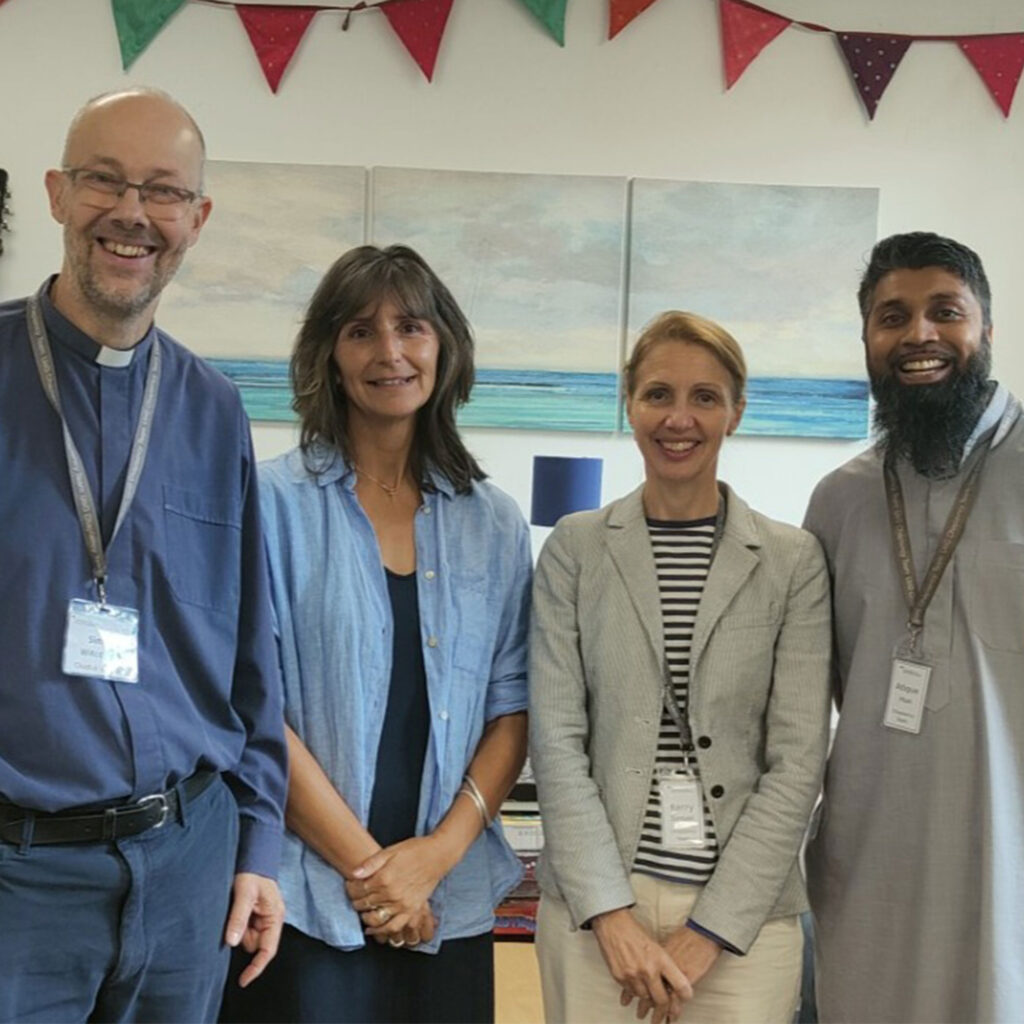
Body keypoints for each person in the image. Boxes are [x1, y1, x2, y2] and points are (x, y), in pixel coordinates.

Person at [0, 89, 287, 1023]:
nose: (132, 213)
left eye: (163, 192)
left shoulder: (215, 410)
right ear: (55, 193)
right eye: (104, 182)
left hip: (186, 871)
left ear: (196, 220)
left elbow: (251, 655)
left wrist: (257, 844)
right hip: (18, 879)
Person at [220, 244, 531, 1024]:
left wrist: (434, 861)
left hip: (448, 899)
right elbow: (254, 712)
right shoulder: (271, 503)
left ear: (444, 347)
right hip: (307, 901)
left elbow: (512, 707)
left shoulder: (493, 520)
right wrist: (376, 876)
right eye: (361, 331)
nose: (390, 352)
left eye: (412, 327)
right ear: (329, 353)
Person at [530, 311, 832, 1024]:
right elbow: (556, 741)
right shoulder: (575, 550)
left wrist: (710, 933)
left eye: (705, 397)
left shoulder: (793, 562)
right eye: (658, 394)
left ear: (736, 412)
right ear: (629, 403)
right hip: (597, 908)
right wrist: (610, 915)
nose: (679, 418)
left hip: (743, 918)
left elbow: (797, 763)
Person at [804, 231, 1024, 1023]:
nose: (919, 336)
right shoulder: (840, 499)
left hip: (1007, 859)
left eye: (946, 312)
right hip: (871, 859)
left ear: (987, 329)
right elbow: (802, 699)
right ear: (867, 341)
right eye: (892, 318)